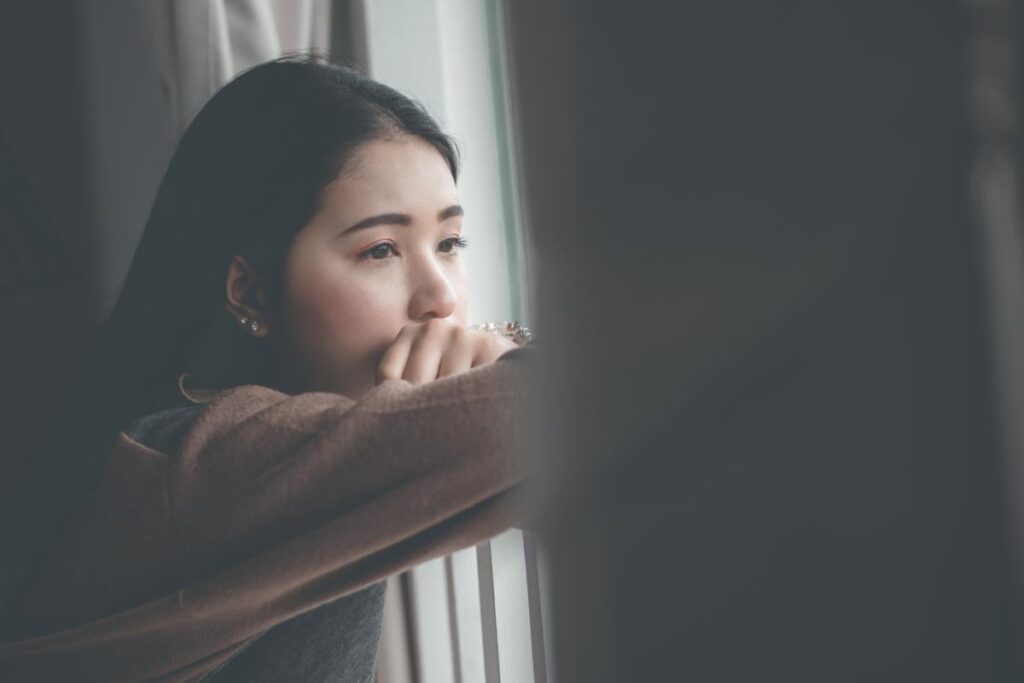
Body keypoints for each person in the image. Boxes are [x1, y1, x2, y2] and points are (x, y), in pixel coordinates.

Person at [0, 54, 536, 681]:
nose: (442, 297)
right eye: (381, 249)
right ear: (251, 293)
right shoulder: (213, 461)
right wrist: (506, 355)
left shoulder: (205, 437)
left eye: (449, 243)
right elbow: (570, 413)